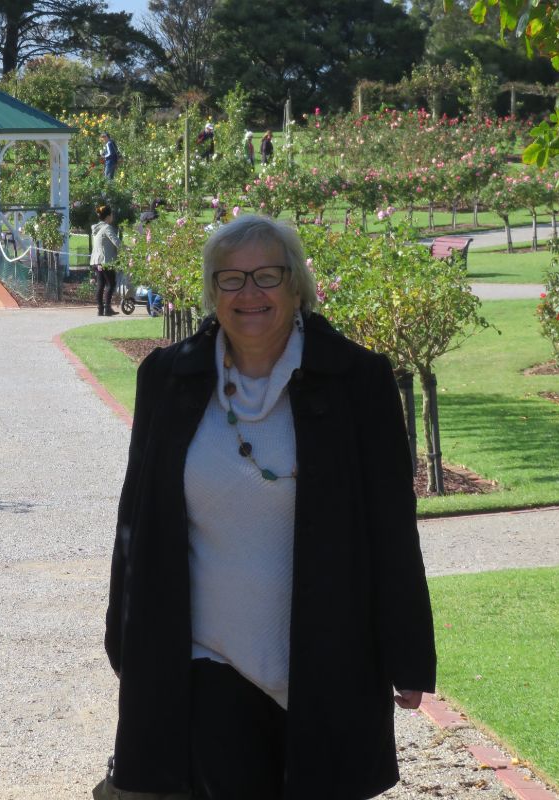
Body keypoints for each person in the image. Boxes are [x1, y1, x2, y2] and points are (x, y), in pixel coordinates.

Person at [102, 214, 436, 799]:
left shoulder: (357, 380)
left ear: (297, 285)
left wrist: (407, 653)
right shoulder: (168, 378)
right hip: (209, 659)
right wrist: (125, 638)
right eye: (230, 279)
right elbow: (137, 518)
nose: (249, 294)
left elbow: (390, 530)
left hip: (326, 656)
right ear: (211, 293)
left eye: (266, 276)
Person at [90, 204, 121, 317]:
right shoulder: (107, 228)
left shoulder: (96, 229)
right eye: (111, 214)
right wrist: (127, 249)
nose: (112, 216)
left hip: (96, 261)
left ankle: (100, 309)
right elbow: (116, 242)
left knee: (101, 284)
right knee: (111, 284)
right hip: (106, 260)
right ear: (108, 216)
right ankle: (107, 308)